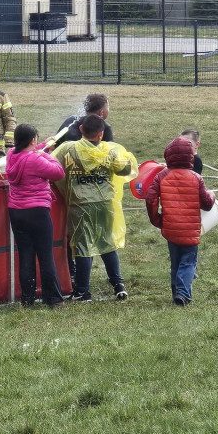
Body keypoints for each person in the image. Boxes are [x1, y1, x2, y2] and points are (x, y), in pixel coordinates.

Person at [51, 114, 136, 302]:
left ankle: (82, 291)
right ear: (101, 134)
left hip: (79, 205)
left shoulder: (68, 149)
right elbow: (125, 169)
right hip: (105, 204)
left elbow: (49, 166)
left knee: (83, 247)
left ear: (81, 129)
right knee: (107, 243)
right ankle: (118, 285)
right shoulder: (110, 151)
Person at [144, 137, 216, 306]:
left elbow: (150, 199)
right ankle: (183, 294)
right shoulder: (196, 178)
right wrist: (212, 196)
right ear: (190, 157)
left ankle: (176, 293)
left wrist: (157, 220)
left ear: (168, 155)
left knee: (175, 262)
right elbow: (206, 203)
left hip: (170, 227)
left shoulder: (162, 176)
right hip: (190, 230)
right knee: (189, 262)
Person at [5, 123, 65, 308]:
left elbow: (28, 153)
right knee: (45, 255)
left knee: (26, 255)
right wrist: (47, 154)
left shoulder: (11, 155)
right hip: (38, 212)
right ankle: (53, 299)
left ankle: (28, 298)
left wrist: (42, 146)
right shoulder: (36, 160)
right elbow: (58, 173)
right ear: (32, 140)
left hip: (16, 212)